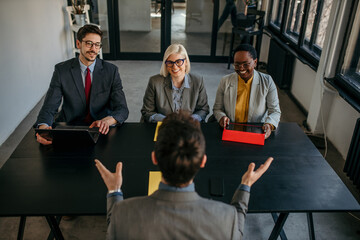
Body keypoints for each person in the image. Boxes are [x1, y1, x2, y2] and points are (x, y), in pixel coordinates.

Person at [95, 111, 273, 239]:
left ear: (154, 158)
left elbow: (113, 231)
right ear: (203, 161)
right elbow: (238, 227)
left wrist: (114, 191)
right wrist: (245, 185)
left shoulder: (122, 213)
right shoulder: (228, 218)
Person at [35, 24, 129, 145]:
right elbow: (49, 107)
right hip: (70, 127)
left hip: (101, 129)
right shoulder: (61, 70)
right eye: (89, 43)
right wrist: (43, 129)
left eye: (97, 44)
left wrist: (108, 121)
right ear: (78, 44)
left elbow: (122, 109)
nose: (93, 49)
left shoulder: (111, 71)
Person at [213, 44, 281, 139]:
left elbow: (275, 111)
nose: (241, 68)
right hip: (231, 131)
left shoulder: (267, 81)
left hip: (256, 132)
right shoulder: (225, 81)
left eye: (246, 64)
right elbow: (217, 108)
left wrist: (269, 124)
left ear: (255, 62)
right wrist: (222, 117)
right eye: (237, 64)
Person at [141, 43, 209, 122]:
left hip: (188, 127)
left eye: (179, 61)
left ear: (186, 62)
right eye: (170, 62)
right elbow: (147, 111)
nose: (174, 67)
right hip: (163, 126)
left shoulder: (198, 81)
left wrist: (189, 120)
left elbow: (203, 109)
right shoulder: (154, 82)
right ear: (165, 64)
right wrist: (168, 121)